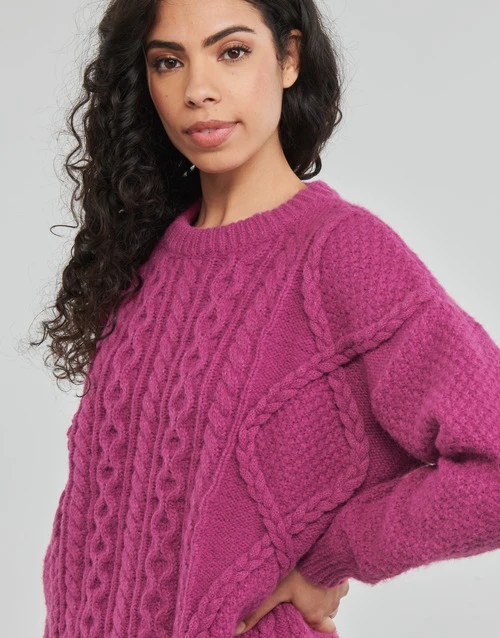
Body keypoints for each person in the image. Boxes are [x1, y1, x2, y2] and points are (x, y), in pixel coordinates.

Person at [32, 0, 500, 637]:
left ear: (288, 59)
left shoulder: (342, 254)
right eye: (168, 62)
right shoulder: (144, 257)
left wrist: (334, 557)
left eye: (232, 52)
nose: (198, 90)